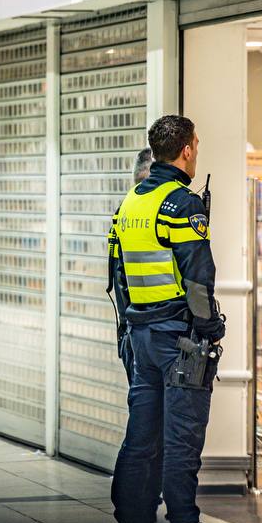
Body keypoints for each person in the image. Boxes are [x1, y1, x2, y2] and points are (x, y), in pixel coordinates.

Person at [107, 116, 240, 523]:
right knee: (182, 443)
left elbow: (117, 276)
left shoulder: (130, 203)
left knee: (141, 441)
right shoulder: (181, 205)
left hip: (140, 336)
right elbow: (199, 278)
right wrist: (211, 330)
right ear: (186, 150)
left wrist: (132, 328)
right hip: (178, 339)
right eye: (196, 145)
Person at [111, 148, 156, 379]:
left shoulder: (124, 211)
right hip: (153, 334)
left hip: (132, 330)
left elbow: (119, 277)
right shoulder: (151, 214)